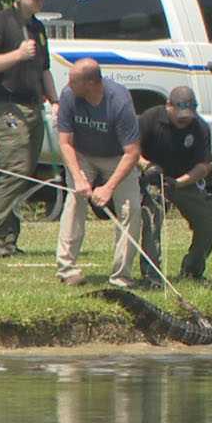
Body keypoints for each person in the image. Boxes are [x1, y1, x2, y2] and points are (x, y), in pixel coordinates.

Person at [0, 0, 57, 258]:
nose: (39, 2)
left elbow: (44, 68)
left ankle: (8, 239)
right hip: (5, 106)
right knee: (15, 168)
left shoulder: (37, 28)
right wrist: (17, 55)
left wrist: (54, 100)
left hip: (33, 105)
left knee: (25, 173)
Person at [54, 58, 142, 287]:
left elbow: (132, 153)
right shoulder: (68, 96)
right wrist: (79, 177)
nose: (68, 84)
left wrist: (108, 187)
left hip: (117, 157)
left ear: (92, 83)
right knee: (74, 201)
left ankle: (121, 275)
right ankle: (67, 269)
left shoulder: (120, 102)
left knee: (130, 208)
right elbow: (65, 143)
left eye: (73, 81)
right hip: (82, 154)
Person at [137, 85, 212, 282]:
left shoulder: (200, 127)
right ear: (168, 106)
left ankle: (192, 270)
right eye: (180, 113)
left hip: (184, 181)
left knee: (209, 224)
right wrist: (147, 167)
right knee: (152, 221)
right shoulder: (150, 118)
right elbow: (131, 150)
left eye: (189, 113)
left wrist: (179, 183)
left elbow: (204, 166)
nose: (184, 118)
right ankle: (151, 275)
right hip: (153, 180)